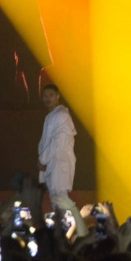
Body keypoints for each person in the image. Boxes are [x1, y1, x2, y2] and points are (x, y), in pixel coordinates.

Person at [37, 84, 78, 213]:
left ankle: (67, 231)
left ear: (58, 96)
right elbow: (45, 142)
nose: (47, 98)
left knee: (61, 203)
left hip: (59, 164)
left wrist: (42, 160)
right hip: (51, 165)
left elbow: (58, 142)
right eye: (45, 96)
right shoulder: (51, 116)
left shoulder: (61, 115)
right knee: (57, 203)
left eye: (51, 95)